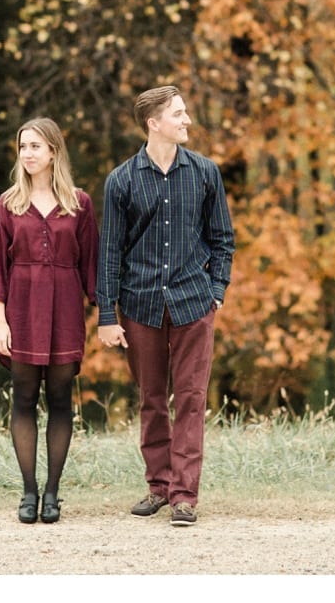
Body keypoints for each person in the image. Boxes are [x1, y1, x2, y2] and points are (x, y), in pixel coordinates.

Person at [97, 85, 235, 527]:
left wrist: (216, 290)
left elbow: (223, 239)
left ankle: (184, 496)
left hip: (195, 303)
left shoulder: (206, 173)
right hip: (140, 306)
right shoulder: (121, 180)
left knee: (191, 399)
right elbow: (110, 253)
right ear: (154, 123)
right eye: (178, 114)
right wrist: (106, 314)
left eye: (185, 112)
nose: (187, 120)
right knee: (152, 399)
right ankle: (158, 487)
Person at [0, 117, 99, 524]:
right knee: (23, 399)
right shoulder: (8, 204)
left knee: (61, 401)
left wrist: (108, 314)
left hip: (66, 310)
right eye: (23, 147)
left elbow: (92, 266)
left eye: (35, 146)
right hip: (21, 309)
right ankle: (29, 492)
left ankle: (53, 493)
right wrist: (0, 321)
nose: (28, 154)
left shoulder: (79, 203)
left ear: (53, 151)